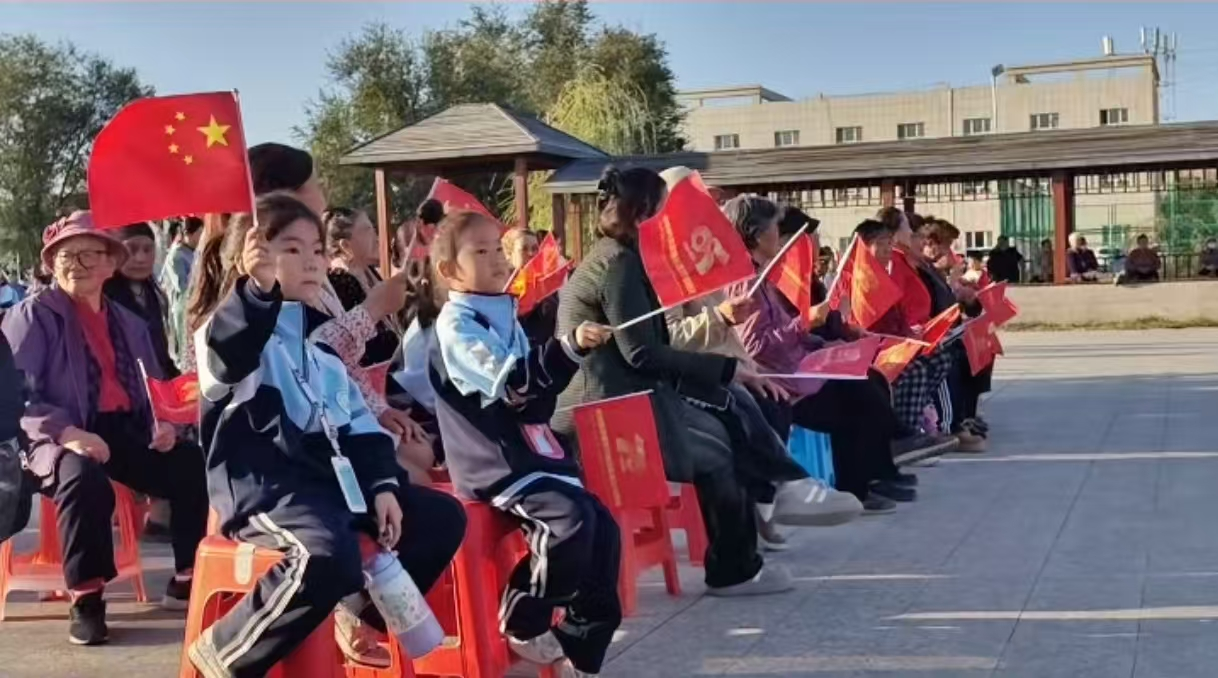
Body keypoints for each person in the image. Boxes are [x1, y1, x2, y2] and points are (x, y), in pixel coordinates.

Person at [186, 193, 465, 677]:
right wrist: (256, 291)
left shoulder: (318, 353)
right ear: (251, 257)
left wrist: (381, 486)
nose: (312, 261)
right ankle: (226, 653)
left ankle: (356, 613)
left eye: (316, 249)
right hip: (267, 492)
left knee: (440, 517)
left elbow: (360, 430)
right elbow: (228, 357)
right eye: (291, 249)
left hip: (328, 490)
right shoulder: (225, 333)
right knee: (327, 554)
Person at [556, 167, 826, 599]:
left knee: (726, 431)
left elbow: (650, 347)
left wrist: (725, 370)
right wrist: (724, 369)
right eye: (664, 211)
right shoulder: (618, 265)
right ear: (643, 214)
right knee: (719, 452)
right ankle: (737, 565)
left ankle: (771, 507)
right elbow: (642, 353)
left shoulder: (624, 258)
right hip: (606, 415)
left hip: (630, 399)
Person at [429, 210, 620, 678]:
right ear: (449, 270)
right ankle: (523, 616)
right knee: (568, 520)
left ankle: (580, 644)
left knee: (603, 529)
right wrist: (568, 347)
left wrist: (567, 351)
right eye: (481, 251)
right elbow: (515, 385)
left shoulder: (502, 312)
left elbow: (535, 398)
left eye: (498, 248)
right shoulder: (457, 326)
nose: (498, 259)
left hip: (533, 452)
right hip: (494, 460)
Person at [1, 211, 208, 646]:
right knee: (82, 477)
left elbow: (153, 385)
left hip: (123, 426)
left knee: (190, 463)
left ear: (111, 263)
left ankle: (187, 577)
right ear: (51, 263)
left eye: (89, 254)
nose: (77, 264)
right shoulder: (31, 316)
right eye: (66, 256)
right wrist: (67, 434)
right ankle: (87, 597)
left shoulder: (129, 322)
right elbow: (16, 396)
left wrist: (164, 423)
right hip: (51, 433)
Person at [104, 222, 178, 378]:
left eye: (148, 249)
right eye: (131, 249)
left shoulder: (153, 293)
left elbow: (160, 350)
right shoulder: (103, 299)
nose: (140, 258)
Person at [502, 226, 560, 344]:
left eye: (535, 249)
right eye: (524, 249)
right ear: (508, 254)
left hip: (549, 349)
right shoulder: (499, 289)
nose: (531, 253)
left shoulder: (547, 284)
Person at [161, 216, 204, 369]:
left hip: (197, 302)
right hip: (183, 305)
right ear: (188, 234)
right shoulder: (177, 255)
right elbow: (182, 285)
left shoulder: (195, 252)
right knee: (184, 343)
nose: (201, 237)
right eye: (199, 233)